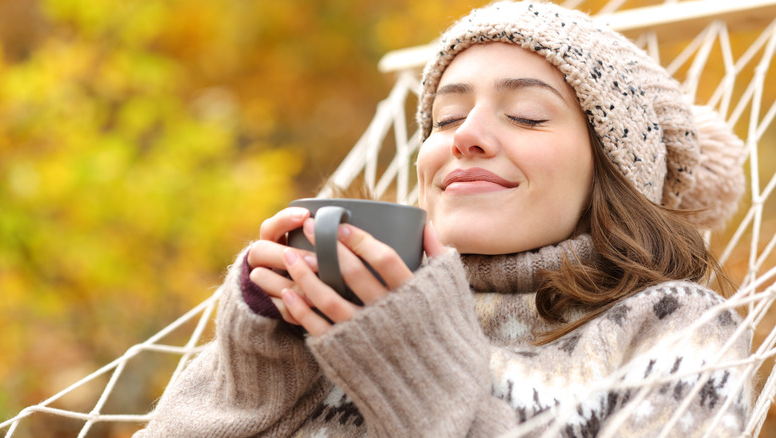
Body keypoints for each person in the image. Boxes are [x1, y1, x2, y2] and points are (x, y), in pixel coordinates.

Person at [135, 1, 751, 436]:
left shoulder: (668, 325)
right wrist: (260, 364)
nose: (468, 137)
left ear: (612, 172)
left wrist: (416, 366)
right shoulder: (343, 307)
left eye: (528, 115)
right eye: (447, 118)